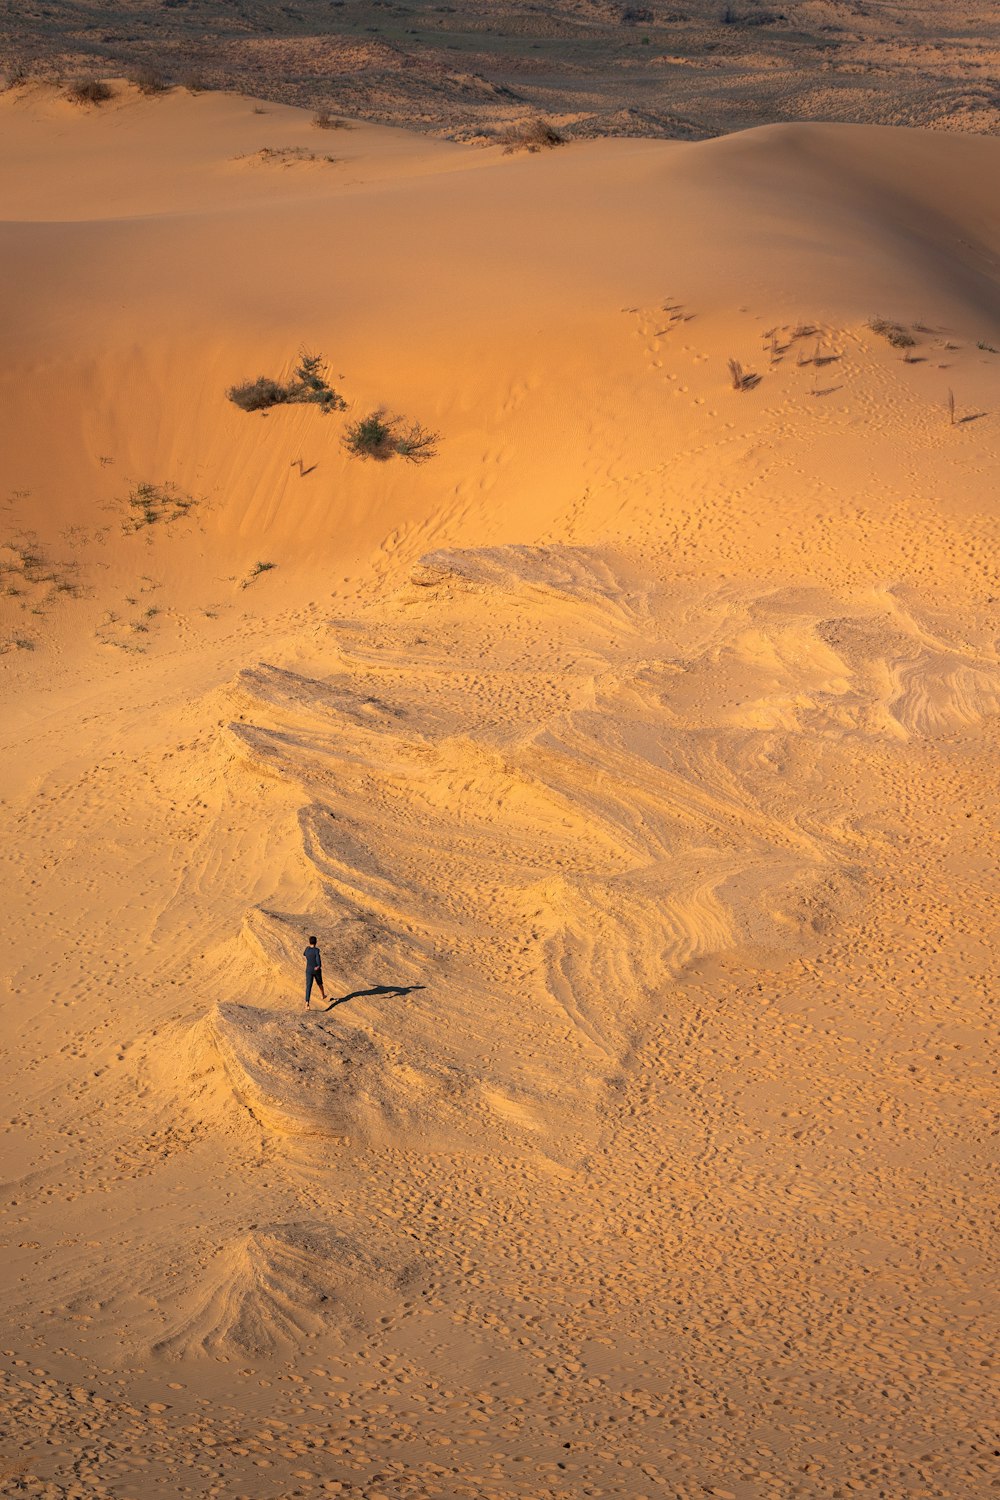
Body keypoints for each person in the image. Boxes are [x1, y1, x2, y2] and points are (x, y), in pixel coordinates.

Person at [303, 936, 326, 1008]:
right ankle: (323, 995)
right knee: (320, 983)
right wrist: (318, 966)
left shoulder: (307, 949)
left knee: (308, 987)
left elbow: (304, 954)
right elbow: (318, 959)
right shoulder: (316, 950)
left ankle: (307, 1002)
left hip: (309, 970)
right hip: (316, 970)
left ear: (309, 942)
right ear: (316, 942)